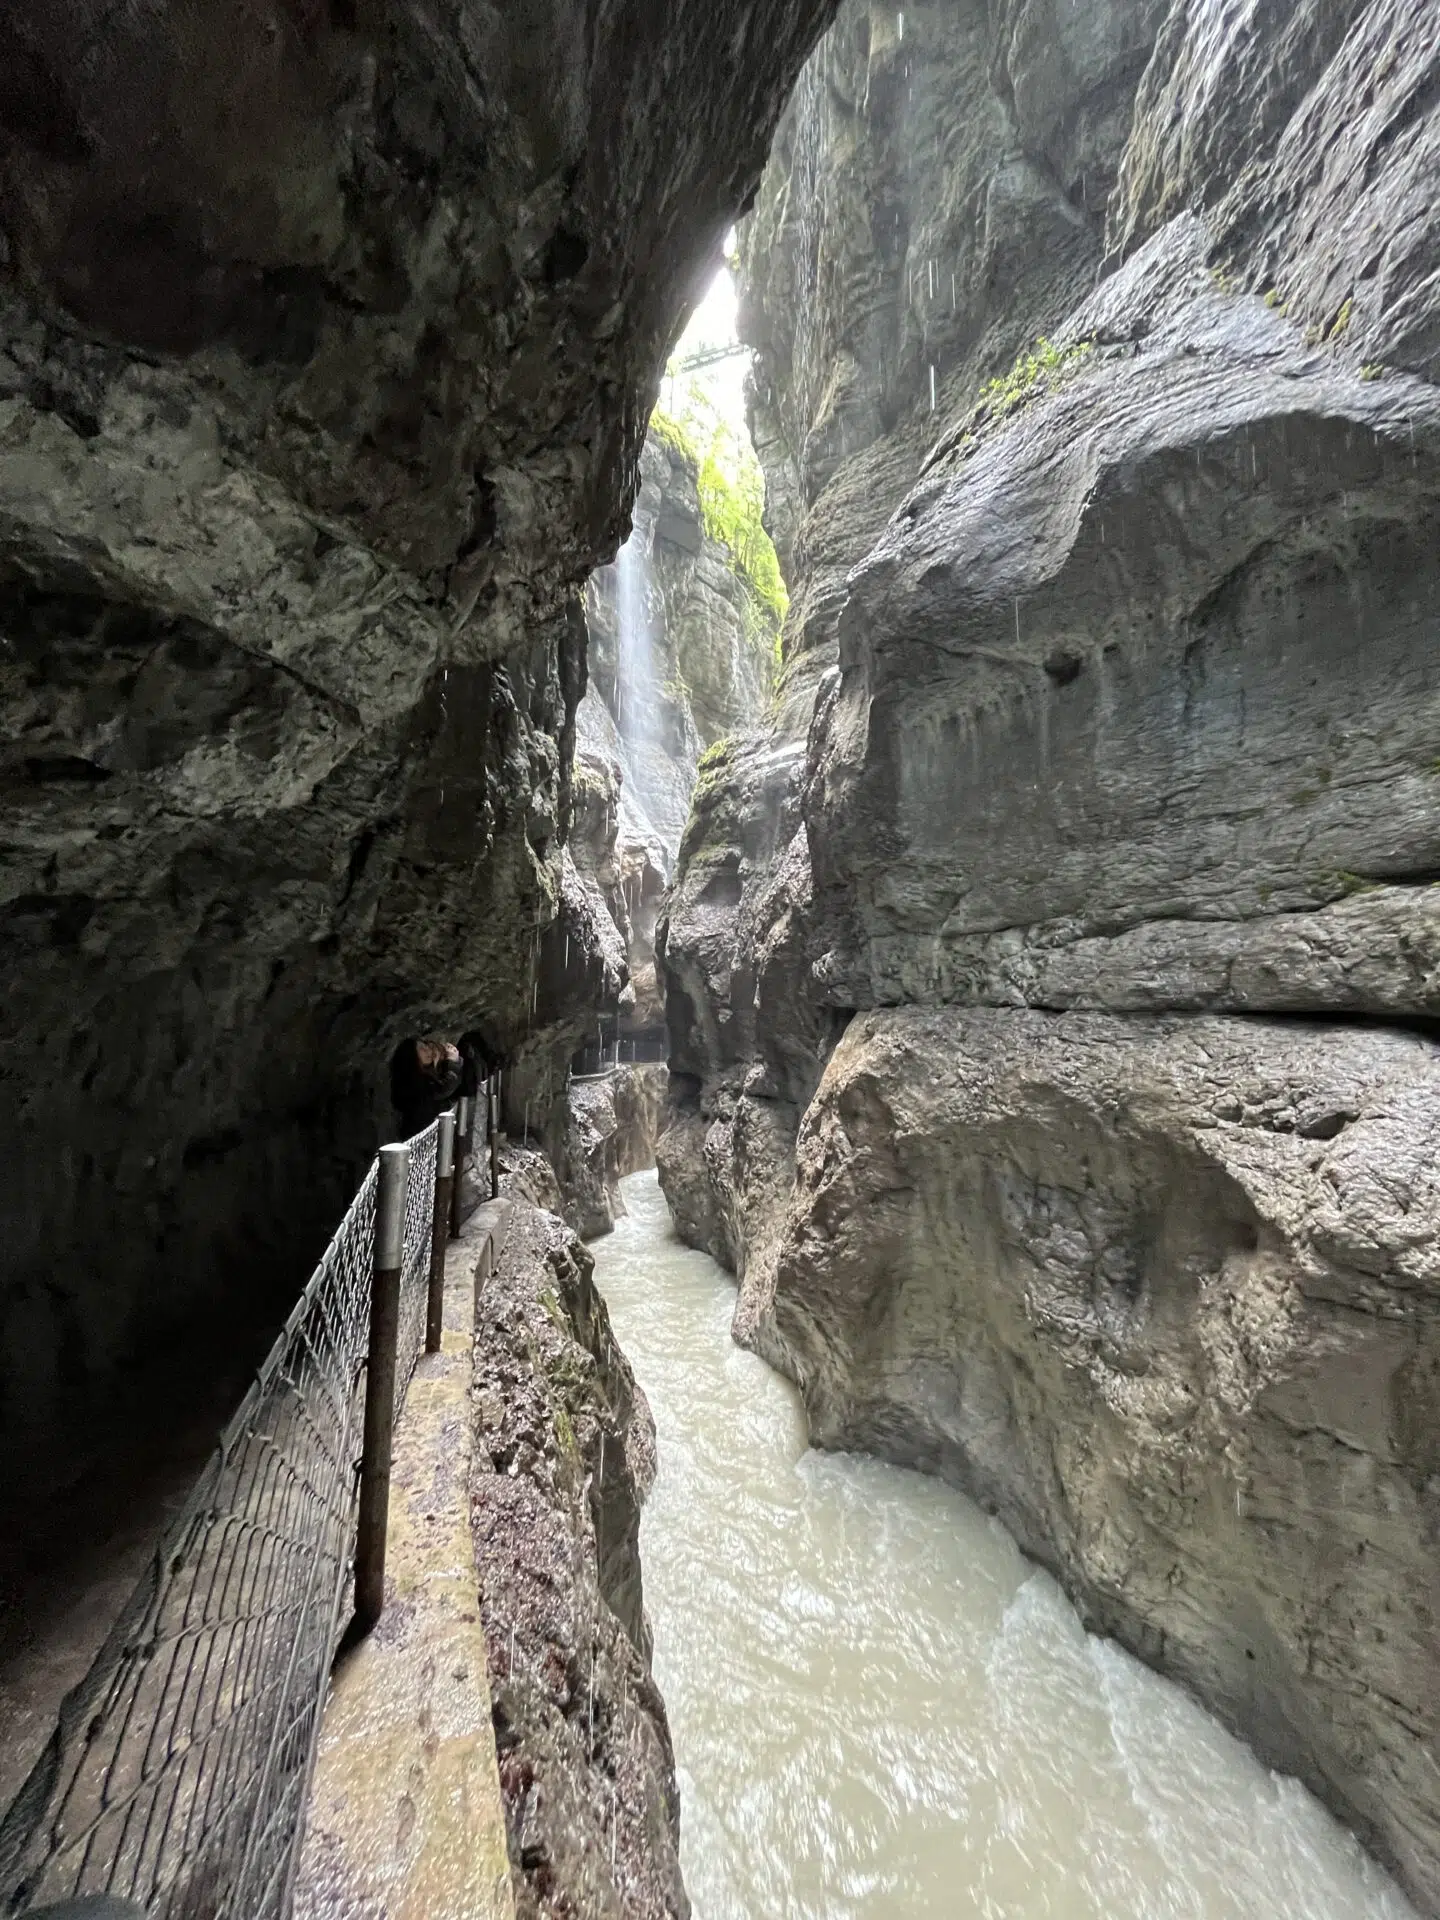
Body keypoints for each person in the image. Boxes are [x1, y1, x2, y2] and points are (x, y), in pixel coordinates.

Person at [389, 1034, 462, 1139]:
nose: (429, 1051)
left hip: (426, 1134)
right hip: (418, 1135)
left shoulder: (424, 1074)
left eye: (428, 1048)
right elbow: (442, 1089)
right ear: (411, 1055)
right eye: (423, 1049)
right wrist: (452, 1063)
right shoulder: (410, 1080)